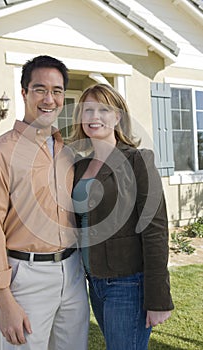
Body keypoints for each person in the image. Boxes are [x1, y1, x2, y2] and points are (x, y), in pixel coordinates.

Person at [0, 55, 89, 350]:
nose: (49, 98)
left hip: (73, 272)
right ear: (24, 93)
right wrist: (4, 300)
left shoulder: (67, 153)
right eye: (40, 89)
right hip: (26, 276)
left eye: (57, 90)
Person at [70, 83, 174, 350]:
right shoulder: (79, 166)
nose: (94, 117)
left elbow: (155, 230)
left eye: (103, 109)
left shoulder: (138, 161)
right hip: (93, 282)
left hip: (128, 284)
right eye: (88, 110)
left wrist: (158, 299)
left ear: (118, 117)